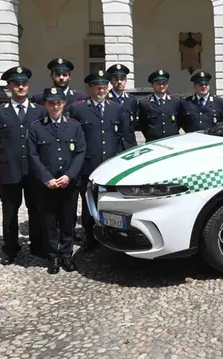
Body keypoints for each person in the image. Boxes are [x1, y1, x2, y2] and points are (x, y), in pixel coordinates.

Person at [0, 66, 48, 264]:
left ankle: (37, 245)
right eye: (16, 84)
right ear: (9, 86)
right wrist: (7, 157)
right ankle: (11, 248)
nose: (20, 87)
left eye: (24, 83)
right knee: (10, 211)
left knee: (36, 209)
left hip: (33, 170)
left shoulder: (40, 111)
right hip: (9, 169)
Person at [71, 70, 136, 249]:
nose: (101, 90)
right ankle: (89, 235)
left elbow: (125, 135)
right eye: (97, 87)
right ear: (90, 88)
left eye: (103, 87)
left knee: (111, 200)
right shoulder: (79, 109)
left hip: (110, 163)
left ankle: (113, 232)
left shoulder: (117, 107)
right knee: (88, 200)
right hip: (88, 163)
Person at [27, 87, 86, 274]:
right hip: (46, 185)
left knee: (68, 220)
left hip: (68, 183)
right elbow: (32, 155)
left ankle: (66, 255)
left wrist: (69, 175)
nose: (55, 106)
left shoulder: (74, 126)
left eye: (58, 102)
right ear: (45, 104)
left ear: (64, 104)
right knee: (49, 221)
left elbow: (80, 152)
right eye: (51, 103)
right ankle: (52, 256)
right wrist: (46, 178)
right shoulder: (36, 127)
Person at [137, 69, 183, 142]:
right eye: (158, 83)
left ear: (167, 84)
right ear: (152, 84)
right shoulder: (145, 103)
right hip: (153, 142)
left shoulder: (176, 101)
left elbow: (180, 121)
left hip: (173, 141)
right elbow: (143, 124)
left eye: (164, 83)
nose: (161, 86)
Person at [106, 63, 139, 134]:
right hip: (114, 141)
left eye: (122, 79)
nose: (119, 82)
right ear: (111, 81)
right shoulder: (106, 99)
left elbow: (134, 123)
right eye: (116, 79)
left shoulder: (132, 100)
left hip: (129, 142)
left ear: (126, 81)